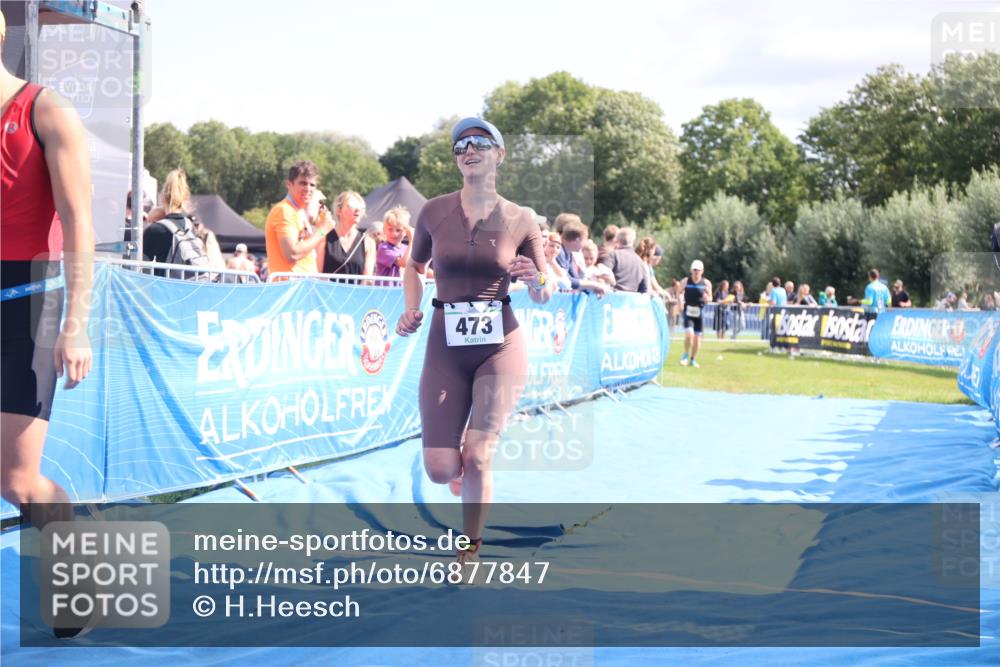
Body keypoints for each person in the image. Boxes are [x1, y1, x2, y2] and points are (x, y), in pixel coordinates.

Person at [394, 117, 552, 565]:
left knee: (479, 455)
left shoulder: (522, 219)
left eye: (480, 142)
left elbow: (544, 291)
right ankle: (464, 475)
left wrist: (536, 277)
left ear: (499, 155)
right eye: (461, 145)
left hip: (499, 346)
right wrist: (412, 307)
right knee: (442, 468)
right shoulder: (432, 212)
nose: (469, 149)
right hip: (445, 343)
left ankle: (470, 549)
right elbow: (413, 266)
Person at [1, 10, 95, 637]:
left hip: (28, 303)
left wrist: (78, 323)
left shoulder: (45, 110)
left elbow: (81, 224)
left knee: (16, 480)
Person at [265, 160, 335, 278]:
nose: (308, 189)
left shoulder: (299, 212)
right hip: (289, 289)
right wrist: (323, 230)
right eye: (303, 183)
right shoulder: (284, 210)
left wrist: (320, 227)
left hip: (302, 288)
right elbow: (292, 254)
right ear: (289, 184)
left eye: (312, 185)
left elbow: (308, 250)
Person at [322, 190, 376, 282]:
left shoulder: (368, 242)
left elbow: (367, 280)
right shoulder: (324, 238)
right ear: (339, 210)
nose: (358, 210)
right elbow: (318, 275)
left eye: (361, 208)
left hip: (356, 295)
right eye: (352, 206)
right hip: (328, 294)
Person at [555, 215, 607, 296]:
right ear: (577, 239)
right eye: (585, 239)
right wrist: (593, 285)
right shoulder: (559, 251)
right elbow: (567, 281)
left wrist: (592, 288)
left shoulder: (568, 253)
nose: (586, 243)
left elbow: (575, 278)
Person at [679, 260, 711, 367]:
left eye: (698, 270)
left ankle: (693, 359)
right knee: (689, 335)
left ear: (702, 271)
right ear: (691, 270)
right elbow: (679, 293)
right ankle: (685, 355)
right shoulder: (685, 281)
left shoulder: (706, 283)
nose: (696, 272)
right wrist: (680, 302)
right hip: (688, 310)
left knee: (697, 338)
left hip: (699, 312)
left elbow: (710, 297)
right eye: (694, 270)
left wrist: (707, 299)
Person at [598, 227, 648, 293]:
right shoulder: (640, 262)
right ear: (632, 241)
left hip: (613, 298)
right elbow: (644, 288)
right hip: (631, 300)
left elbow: (604, 274)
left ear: (617, 240)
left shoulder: (613, 255)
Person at [375, 207, 413, 282]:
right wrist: (412, 240)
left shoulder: (407, 249)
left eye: (398, 230)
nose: (394, 234)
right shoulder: (383, 248)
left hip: (400, 290)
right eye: (390, 229)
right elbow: (404, 263)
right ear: (384, 230)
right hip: (385, 291)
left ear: (406, 231)